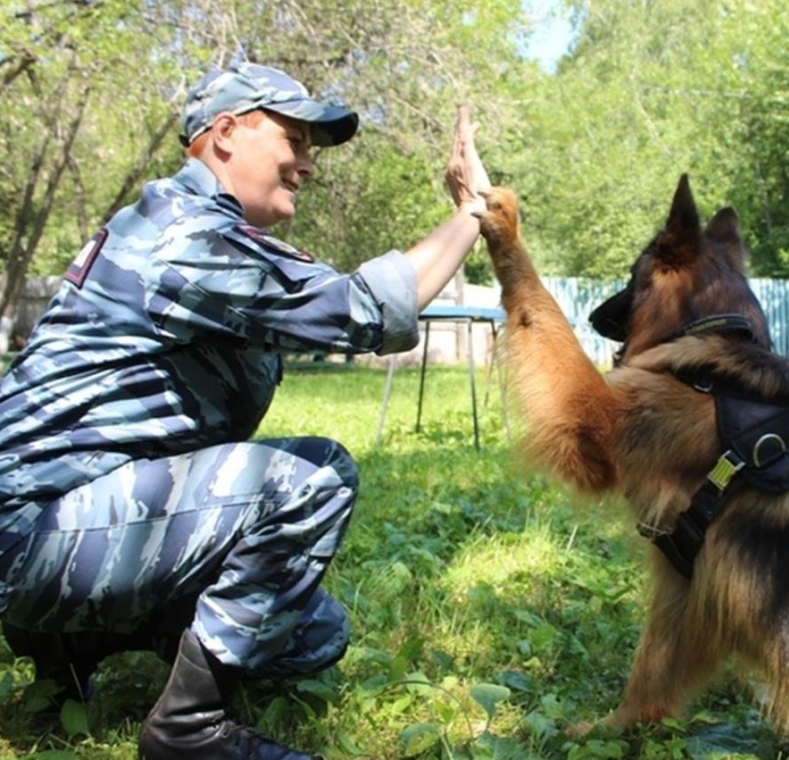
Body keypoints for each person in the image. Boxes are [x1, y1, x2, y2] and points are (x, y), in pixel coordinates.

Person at [0, 61, 490, 760]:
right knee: (312, 478)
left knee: (312, 632)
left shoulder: (171, 222)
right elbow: (364, 310)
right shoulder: (188, 237)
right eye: (295, 138)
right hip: (32, 535)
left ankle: (76, 642)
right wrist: (474, 212)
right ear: (225, 133)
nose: (307, 165)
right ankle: (190, 728)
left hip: (46, 526)